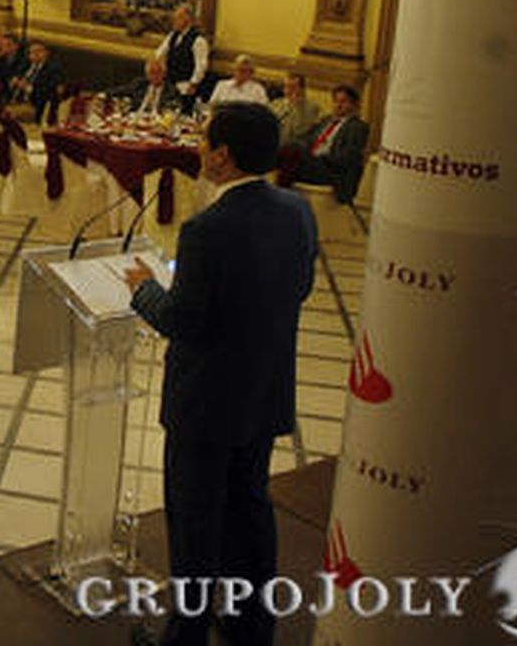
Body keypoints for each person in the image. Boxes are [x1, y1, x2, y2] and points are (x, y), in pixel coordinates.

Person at [122, 103, 317, 646]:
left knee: (195, 522)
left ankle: (185, 636)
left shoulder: (207, 229)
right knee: (250, 510)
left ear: (223, 155)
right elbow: (300, 288)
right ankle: (250, 626)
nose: (199, 147)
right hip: (262, 390)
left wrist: (143, 288)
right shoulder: (297, 211)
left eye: (205, 139)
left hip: (206, 402)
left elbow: (182, 321)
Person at [280, 84, 370, 204]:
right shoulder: (326, 120)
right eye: (335, 101)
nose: (338, 105)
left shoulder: (357, 127)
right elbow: (305, 137)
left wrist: (320, 159)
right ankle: (278, 193)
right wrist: (301, 148)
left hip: (331, 170)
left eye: (343, 102)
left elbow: (348, 157)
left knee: (291, 155)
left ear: (354, 105)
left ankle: (279, 195)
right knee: (289, 149)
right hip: (312, 162)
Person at [155, 4, 210, 101]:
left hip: (186, 83)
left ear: (187, 19)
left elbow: (201, 66)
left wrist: (193, 83)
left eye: (177, 18)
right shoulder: (173, 35)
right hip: (169, 82)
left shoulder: (198, 40)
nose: (174, 21)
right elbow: (159, 53)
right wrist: (161, 65)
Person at [10, 41, 63, 126]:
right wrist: (13, 82)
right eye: (32, 52)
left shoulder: (52, 70)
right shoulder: (26, 65)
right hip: (15, 101)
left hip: (34, 105)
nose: (35, 54)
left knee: (5, 113)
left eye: (38, 51)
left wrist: (28, 88)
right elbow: (13, 77)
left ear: (46, 53)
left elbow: (49, 93)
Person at [270, 72, 321, 146]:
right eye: (286, 86)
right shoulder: (276, 103)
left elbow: (300, 133)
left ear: (302, 89)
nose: (288, 91)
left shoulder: (311, 108)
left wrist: (298, 106)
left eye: (292, 87)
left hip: (287, 146)